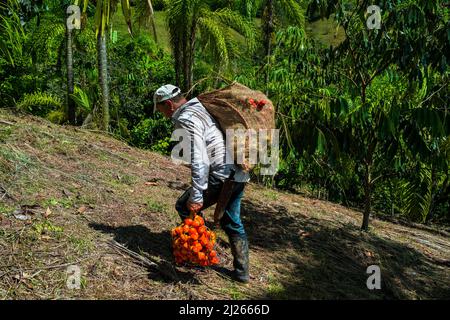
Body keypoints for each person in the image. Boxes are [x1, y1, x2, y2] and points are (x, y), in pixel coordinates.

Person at [153, 84, 251, 283]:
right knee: (231, 220)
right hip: (238, 173)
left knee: (183, 205)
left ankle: (196, 251)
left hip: (222, 175)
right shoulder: (199, 107)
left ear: (169, 104)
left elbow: (200, 159)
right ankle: (242, 273)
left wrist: (197, 195)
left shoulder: (186, 118)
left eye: (160, 108)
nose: (161, 113)